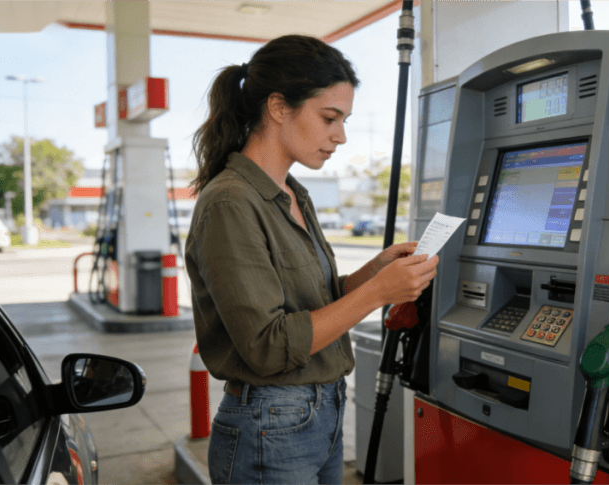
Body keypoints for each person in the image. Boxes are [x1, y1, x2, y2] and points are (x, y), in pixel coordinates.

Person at [185, 35, 439, 485]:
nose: (339, 136)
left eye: (343, 120)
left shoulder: (293, 194)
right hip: (271, 423)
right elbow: (266, 345)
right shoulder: (230, 203)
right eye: (330, 118)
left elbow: (315, 302)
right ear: (279, 107)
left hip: (319, 413)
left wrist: (373, 273)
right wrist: (379, 294)